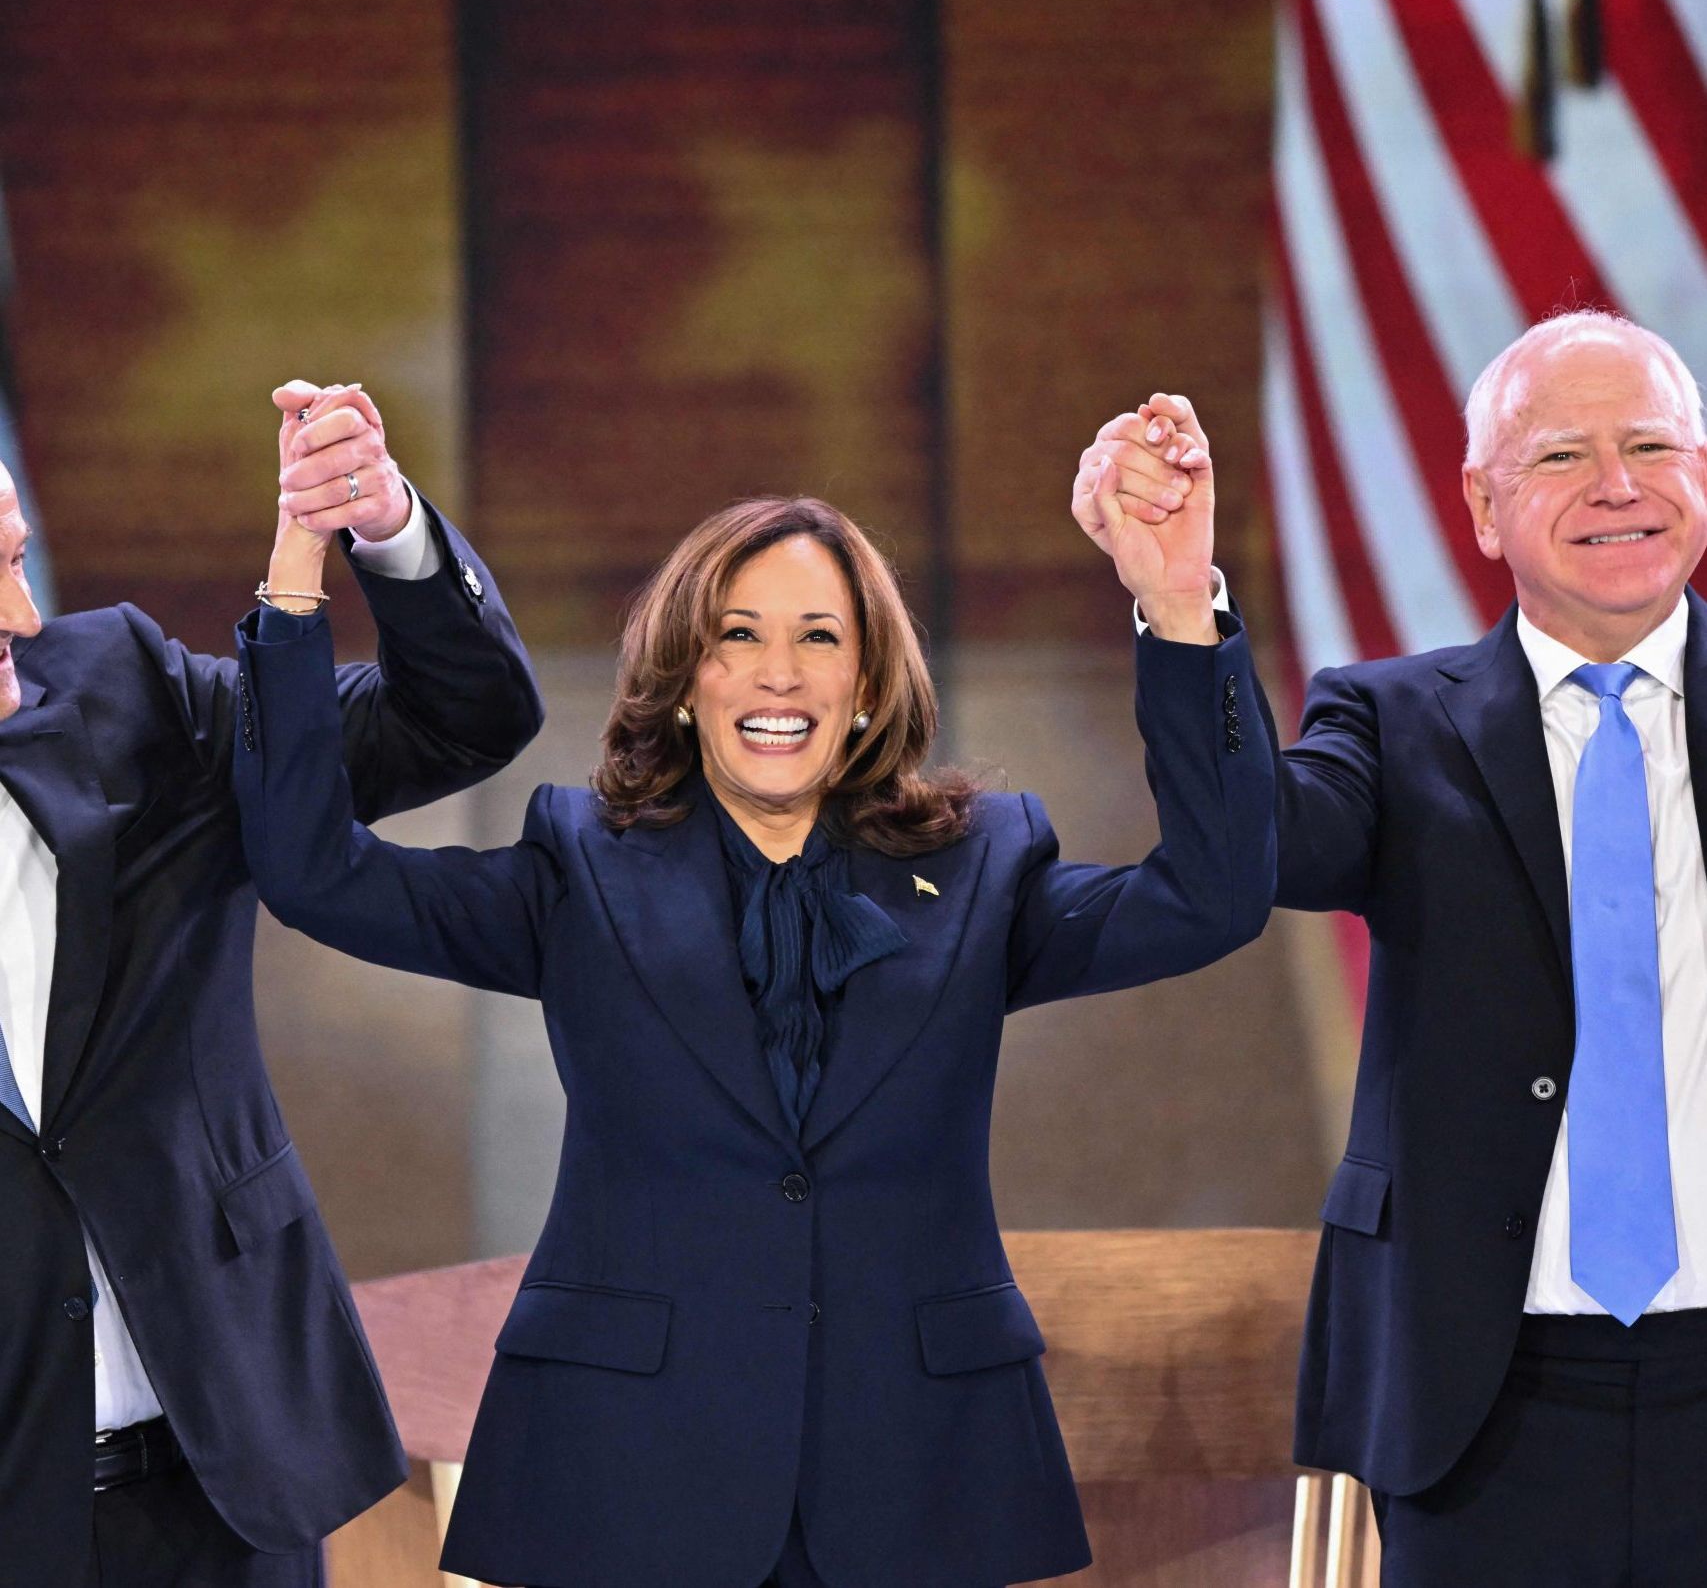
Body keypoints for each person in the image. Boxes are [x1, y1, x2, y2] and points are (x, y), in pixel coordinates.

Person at [230, 424, 1274, 1587]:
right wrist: (299, 566)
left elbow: (1214, 898)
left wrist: (1180, 607)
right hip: (627, 1475)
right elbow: (315, 870)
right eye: (739, 637)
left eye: (819, 638)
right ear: (686, 681)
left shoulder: (985, 871)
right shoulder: (580, 868)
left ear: (867, 687)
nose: (780, 673)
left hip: (916, 1476)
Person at [1078, 312, 1707, 1586]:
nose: (1618, 486)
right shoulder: (1393, 719)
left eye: (1651, 445)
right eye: (1560, 457)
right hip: (1486, 1399)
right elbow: (1243, 858)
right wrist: (1178, 600)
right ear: (1482, 502)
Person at [0, 381, 544, 1588]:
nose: (23, 615)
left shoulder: (121, 693)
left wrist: (383, 526)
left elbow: (454, 720)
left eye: (19, 559)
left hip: (220, 1482)